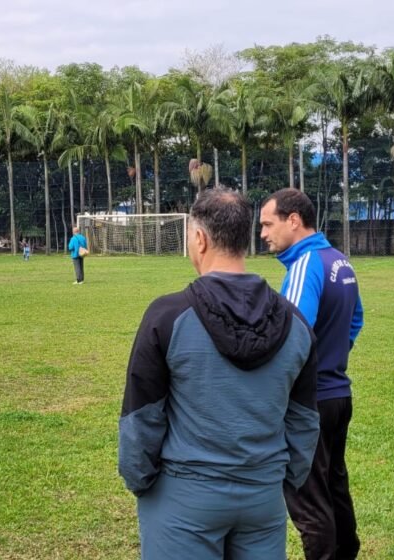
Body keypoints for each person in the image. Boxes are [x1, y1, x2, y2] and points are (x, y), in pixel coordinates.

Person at [119, 188, 319, 560]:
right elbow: (305, 420)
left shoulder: (166, 317)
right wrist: (281, 480)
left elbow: (141, 417)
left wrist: (141, 481)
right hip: (263, 499)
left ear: (200, 239)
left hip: (183, 499)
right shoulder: (297, 324)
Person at [260, 188, 364, 560]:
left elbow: (292, 338)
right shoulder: (339, 261)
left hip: (312, 403)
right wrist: (333, 360)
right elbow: (356, 320)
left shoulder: (306, 265)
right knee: (334, 484)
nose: (262, 234)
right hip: (339, 395)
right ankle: (346, 551)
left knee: (309, 496)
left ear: (294, 220)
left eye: (268, 224)